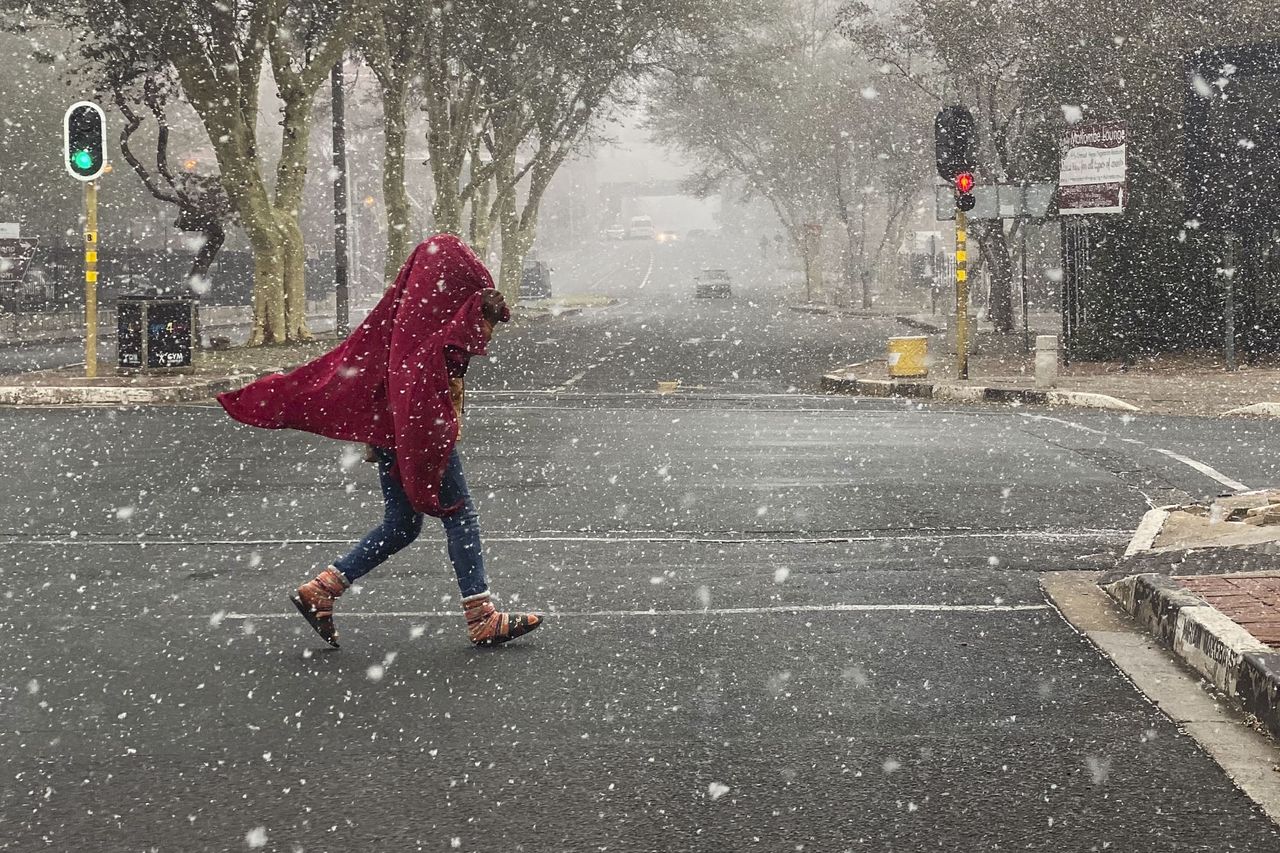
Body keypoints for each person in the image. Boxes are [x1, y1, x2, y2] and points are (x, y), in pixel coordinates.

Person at [217, 234, 543, 649]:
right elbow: (421, 388)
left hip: (394, 428)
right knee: (460, 514)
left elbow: (380, 371)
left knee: (402, 525)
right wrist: (430, 439)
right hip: (415, 430)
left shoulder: (407, 318)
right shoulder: (430, 333)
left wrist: (381, 432)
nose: (482, 328)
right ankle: (481, 617)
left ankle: (322, 589)